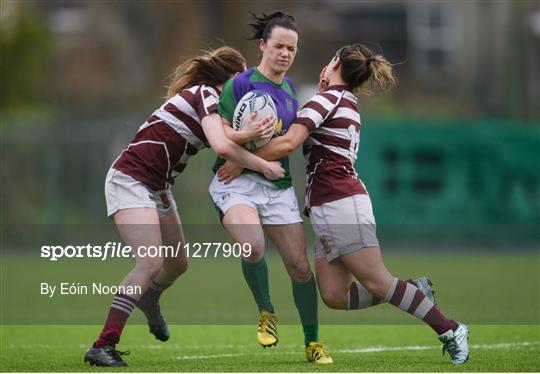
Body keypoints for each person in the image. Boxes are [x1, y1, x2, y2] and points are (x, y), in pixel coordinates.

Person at [220, 43, 470, 365]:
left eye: (328, 61)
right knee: (335, 296)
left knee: (377, 281)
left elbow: (289, 142)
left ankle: (450, 329)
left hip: (342, 204)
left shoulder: (328, 98)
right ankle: (414, 290)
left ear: (335, 63)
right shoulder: (344, 100)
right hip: (327, 207)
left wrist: (241, 160)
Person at [84, 46, 284, 367]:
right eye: (242, 78)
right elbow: (222, 143)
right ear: (231, 78)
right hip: (130, 179)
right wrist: (259, 159)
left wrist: (261, 139)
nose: (245, 84)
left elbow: (229, 138)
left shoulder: (217, 109)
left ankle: (149, 299)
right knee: (150, 263)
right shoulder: (204, 93)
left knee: (177, 263)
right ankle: (103, 344)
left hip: (158, 187)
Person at [208, 12, 333, 364]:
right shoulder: (240, 85)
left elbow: (286, 141)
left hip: (276, 186)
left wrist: (252, 157)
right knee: (252, 245)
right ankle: (267, 312)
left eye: (291, 48)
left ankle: (312, 343)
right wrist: (244, 153)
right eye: (278, 45)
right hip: (236, 184)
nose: (285, 53)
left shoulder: (291, 91)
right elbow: (222, 134)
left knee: (300, 268)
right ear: (263, 45)